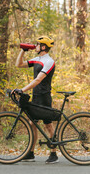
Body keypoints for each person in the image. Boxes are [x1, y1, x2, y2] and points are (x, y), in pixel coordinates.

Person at [14, 36, 58, 164]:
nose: (35, 46)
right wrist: (23, 50)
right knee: (32, 123)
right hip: (36, 96)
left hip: (44, 97)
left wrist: (22, 90)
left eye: (37, 44)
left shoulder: (49, 61)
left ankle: (54, 154)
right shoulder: (38, 59)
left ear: (43, 47)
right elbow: (19, 64)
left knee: (48, 125)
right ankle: (30, 153)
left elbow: (38, 80)